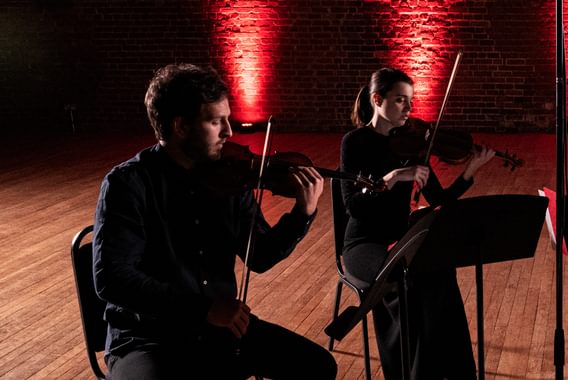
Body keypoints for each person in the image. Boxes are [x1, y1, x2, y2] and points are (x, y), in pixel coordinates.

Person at [92, 63, 336, 379]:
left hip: (221, 328)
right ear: (180, 126)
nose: (229, 132)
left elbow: (259, 255)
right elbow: (112, 278)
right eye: (215, 121)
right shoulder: (129, 184)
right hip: (147, 338)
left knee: (317, 367)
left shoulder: (231, 178)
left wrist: (301, 215)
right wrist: (202, 309)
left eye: (227, 119)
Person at [340, 67, 495, 379]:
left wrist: (470, 171)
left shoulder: (412, 147)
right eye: (400, 101)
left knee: (440, 273)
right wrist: (393, 177)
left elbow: (441, 201)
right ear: (376, 100)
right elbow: (354, 206)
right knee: (405, 280)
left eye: (410, 101)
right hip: (364, 244)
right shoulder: (355, 142)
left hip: (401, 238)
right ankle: (411, 373)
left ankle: (456, 372)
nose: (409, 109)